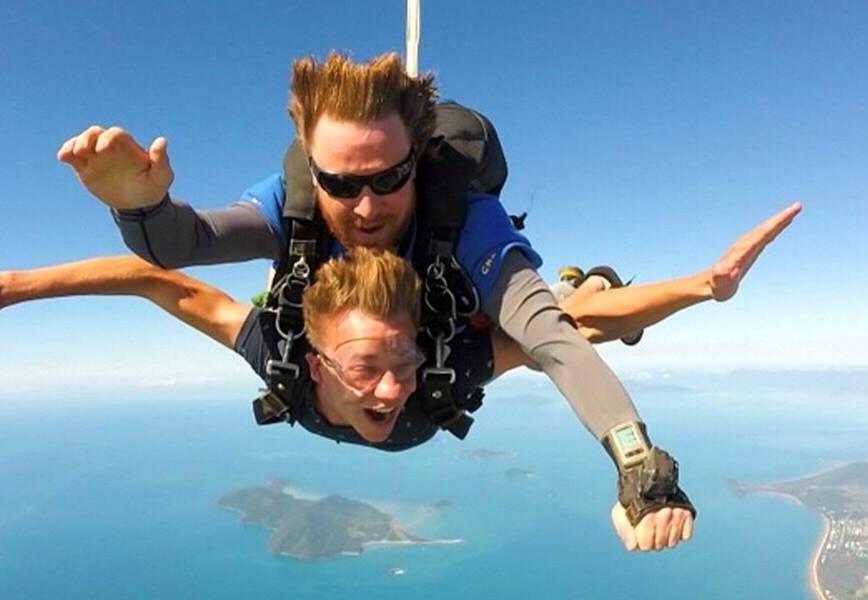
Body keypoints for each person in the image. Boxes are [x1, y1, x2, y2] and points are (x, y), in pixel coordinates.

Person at [0, 202, 800, 552]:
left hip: (489, 309)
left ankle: (576, 267)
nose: (391, 388)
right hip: (335, 310)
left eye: (401, 362)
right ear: (320, 359)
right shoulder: (277, 352)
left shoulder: (440, 368)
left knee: (564, 302)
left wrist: (701, 289)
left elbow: (573, 335)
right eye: (368, 367)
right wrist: (6, 289)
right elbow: (152, 278)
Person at [56, 52, 696, 532]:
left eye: (389, 177)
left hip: (449, 336)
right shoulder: (295, 206)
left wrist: (639, 467)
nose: (365, 208)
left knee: (557, 312)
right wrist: (140, 207)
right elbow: (184, 248)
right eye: (340, 183)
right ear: (313, 170)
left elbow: (550, 340)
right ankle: (589, 289)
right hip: (399, 356)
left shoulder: (463, 218)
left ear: (416, 160)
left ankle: (584, 284)